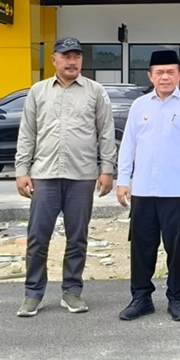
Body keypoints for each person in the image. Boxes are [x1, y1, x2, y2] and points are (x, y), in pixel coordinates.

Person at [14, 37, 117, 318]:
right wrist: (22, 170)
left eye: (77, 56)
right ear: (54, 60)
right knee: (37, 237)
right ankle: (33, 294)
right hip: (44, 175)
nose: (72, 61)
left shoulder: (95, 92)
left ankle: (72, 291)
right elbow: (27, 134)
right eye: (66, 56)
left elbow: (106, 132)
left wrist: (107, 169)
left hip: (82, 176)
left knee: (77, 237)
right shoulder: (38, 92)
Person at [116, 50, 180, 322]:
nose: (165, 77)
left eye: (171, 71)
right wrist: (124, 181)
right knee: (142, 248)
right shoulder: (139, 106)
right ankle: (141, 298)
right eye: (159, 72)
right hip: (143, 191)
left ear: (179, 74)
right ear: (150, 76)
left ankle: (176, 299)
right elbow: (128, 146)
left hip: (177, 191)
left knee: (176, 248)